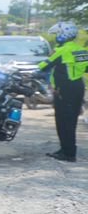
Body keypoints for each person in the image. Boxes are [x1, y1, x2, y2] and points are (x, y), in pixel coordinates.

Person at [39, 21, 88, 162]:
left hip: (65, 89)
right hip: (78, 86)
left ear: (62, 35)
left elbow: (44, 66)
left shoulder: (62, 50)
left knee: (63, 121)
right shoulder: (81, 50)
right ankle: (66, 149)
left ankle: (68, 153)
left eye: (57, 34)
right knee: (71, 120)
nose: (55, 37)